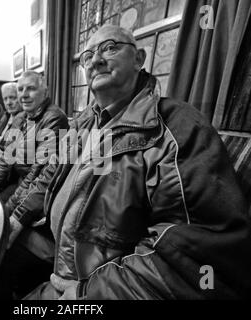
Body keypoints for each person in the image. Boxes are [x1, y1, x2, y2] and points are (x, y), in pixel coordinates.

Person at [17, 25, 251, 300]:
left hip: (98, 286)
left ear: (139, 59)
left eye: (110, 47)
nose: (96, 60)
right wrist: (18, 216)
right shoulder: (82, 123)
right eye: (88, 55)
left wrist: (87, 293)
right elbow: (50, 173)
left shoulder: (179, 126)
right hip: (59, 260)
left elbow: (193, 253)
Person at [0, 71, 69, 299]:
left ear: (45, 91)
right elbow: (6, 160)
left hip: (37, 192)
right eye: (20, 89)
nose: (23, 94)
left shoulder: (54, 118)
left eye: (30, 88)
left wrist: (10, 209)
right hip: (20, 183)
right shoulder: (20, 118)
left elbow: (39, 174)